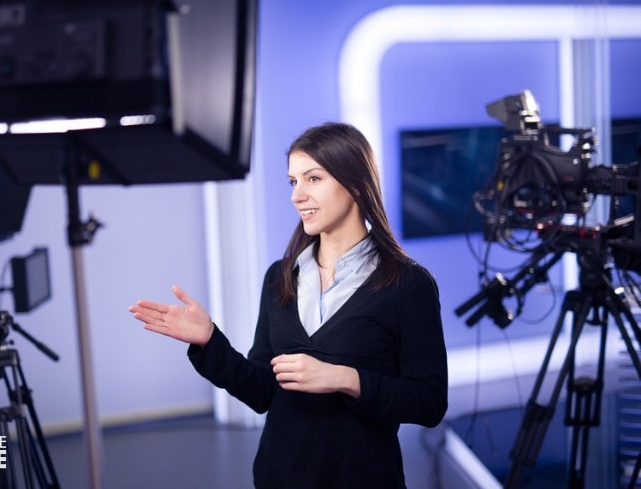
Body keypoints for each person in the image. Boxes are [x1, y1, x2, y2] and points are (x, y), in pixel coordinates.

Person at [129, 122, 448, 489]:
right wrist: (209, 341)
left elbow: (429, 402)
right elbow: (264, 391)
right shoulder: (280, 278)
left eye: (313, 179)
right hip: (278, 478)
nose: (297, 195)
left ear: (357, 182)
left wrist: (345, 379)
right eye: (293, 182)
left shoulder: (409, 285)